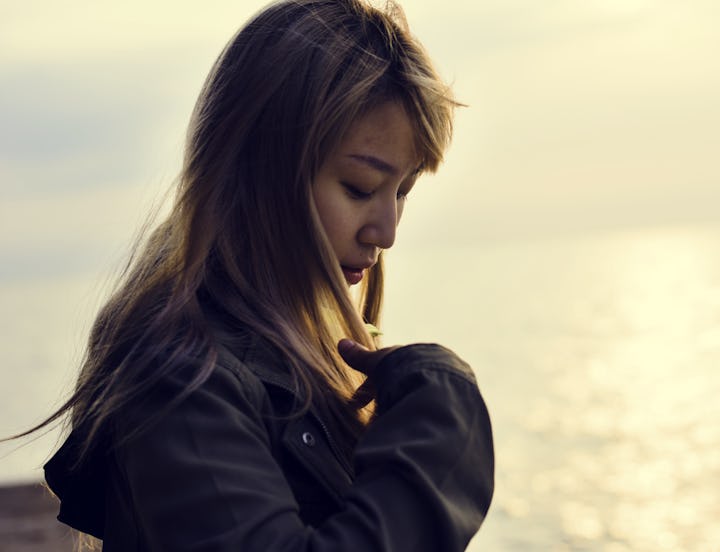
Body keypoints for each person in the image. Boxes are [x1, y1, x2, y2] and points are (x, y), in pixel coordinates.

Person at [30, 0, 494, 550]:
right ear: (258, 169)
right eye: (359, 188)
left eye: (403, 192)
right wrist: (443, 428)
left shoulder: (299, 352)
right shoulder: (181, 374)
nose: (386, 231)